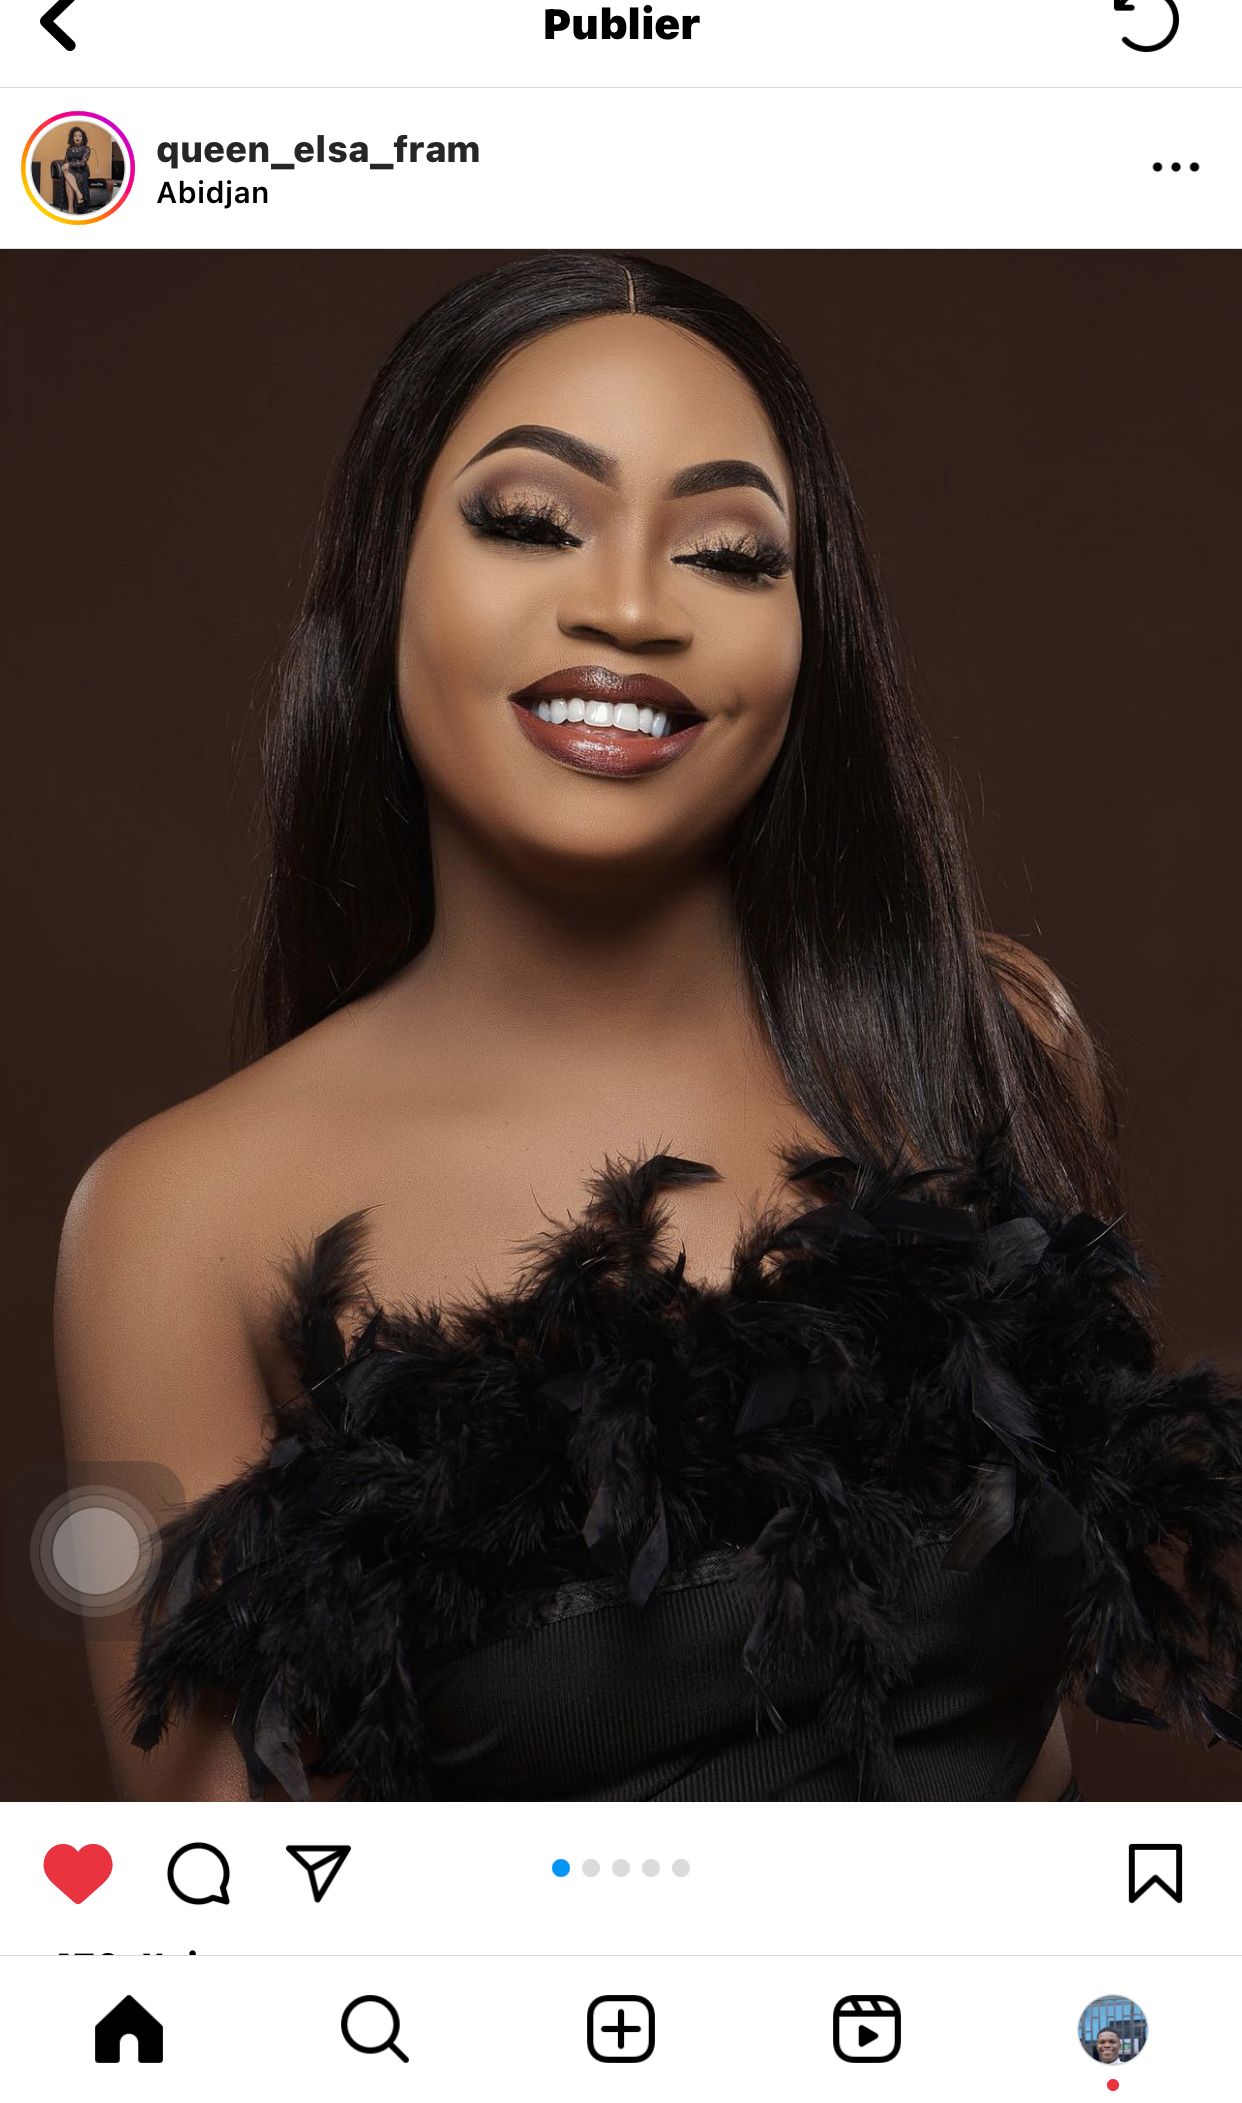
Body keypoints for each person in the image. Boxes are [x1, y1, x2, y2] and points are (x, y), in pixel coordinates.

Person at [53, 253, 1242, 1803]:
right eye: (529, 521)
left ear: (809, 637)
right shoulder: (176, 1220)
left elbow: (1024, 1749)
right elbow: (230, 1885)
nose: (626, 606)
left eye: (729, 554)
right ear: (381, 576)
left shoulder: (985, 1039)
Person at [60, 128, 92, 213]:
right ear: (72, 138)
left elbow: (82, 162)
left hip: (82, 170)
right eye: (75, 136)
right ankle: (77, 197)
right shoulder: (69, 148)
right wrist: (64, 166)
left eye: (80, 136)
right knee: (67, 175)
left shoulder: (86, 148)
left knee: (67, 178)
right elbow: (65, 161)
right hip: (71, 170)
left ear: (82, 138)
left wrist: (69, 164)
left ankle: (71, 207)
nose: (77, 138)